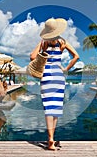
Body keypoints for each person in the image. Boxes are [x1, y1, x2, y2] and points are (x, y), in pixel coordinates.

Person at [30, 18, 79, 150]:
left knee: (48, 107)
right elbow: (76, 56)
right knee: (56, 107)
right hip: (58, 75)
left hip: (46, 75)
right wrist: (66, 69)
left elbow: (32, 57)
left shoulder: (44, 42)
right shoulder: (62, 42)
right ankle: (52, 137)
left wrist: (41, 45)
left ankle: (50, 139)